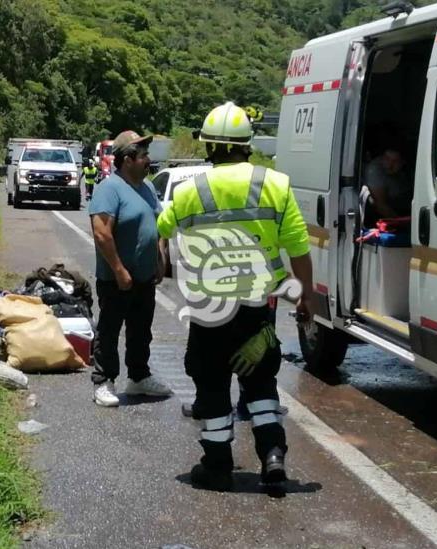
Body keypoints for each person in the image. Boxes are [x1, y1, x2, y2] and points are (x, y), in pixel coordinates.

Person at [157, 102, 314, 491]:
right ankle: (273, 456)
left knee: (211, 386)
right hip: (257, 311)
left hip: (209, 311)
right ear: (248, 144)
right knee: (260, 383)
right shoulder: (275, 185)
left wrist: (165, 268)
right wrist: (305, 297)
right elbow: (298, 248)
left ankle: (217, 465)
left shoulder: (188, 188)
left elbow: (162, 236)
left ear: (209, 146)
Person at [89, 130, 172, 407]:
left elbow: (158, 224)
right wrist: (119, 269)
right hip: (117, 279)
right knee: (110, 330)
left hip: (144, 276)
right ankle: (104, 381)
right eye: (143, 155)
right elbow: (102, 232)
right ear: (127, 160)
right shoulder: (109, 189)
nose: (148, 160)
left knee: (141, 330)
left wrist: (160, 257)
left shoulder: (146, 188)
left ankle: (138, 377)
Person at [363, 146, 412, 223]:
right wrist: (405, 224)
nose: (389, 165)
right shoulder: (374, 170)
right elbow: (381, 205)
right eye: (387, 159)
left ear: (403, 162)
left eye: (395, 161)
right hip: (382, 217)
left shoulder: (408, 171)